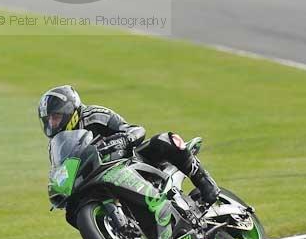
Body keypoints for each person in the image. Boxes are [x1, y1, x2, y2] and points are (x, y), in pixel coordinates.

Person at [38, 85, 220, 205]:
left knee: (164, 140)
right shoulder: (56, 145)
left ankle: (206, 183)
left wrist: (120, 140)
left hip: (130, 161)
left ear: (70, 111)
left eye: (56, 117)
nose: (52, 124)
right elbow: (62, 169)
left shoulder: (95, 115)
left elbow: (136, 130)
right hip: (99, 178)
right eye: (49, 120)